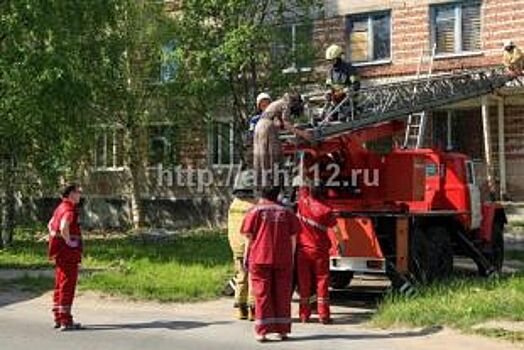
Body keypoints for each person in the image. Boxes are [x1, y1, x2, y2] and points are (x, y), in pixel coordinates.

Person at [241, 186, 301, 342]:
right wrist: (292, 257)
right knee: (282, 294)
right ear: (278, 195)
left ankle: (262, 332)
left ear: (262, 194)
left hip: (260, 258)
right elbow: (293, 238)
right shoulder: (287, 212)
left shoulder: (254, 212)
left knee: (262, 294)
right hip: (283, 259)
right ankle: (283, 331)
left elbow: (248, 237)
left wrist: (246, 256)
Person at [296, 184, 342, 324]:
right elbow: (336, 230)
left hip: (303, 250)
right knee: (322, 282)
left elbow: (303, 188)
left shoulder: (303, 202)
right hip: (320, 251)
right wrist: (341, 244)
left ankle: (304, 315)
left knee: (304, 282)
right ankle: (324, 315)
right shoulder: (327, 210)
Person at [253, 91, 311, 184]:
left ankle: (266, 184)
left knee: (264, 157)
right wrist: (303, 134)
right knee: (274, 157)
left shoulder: (278, 103)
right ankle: (274, 184)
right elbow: (286, 124)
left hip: (259, 127)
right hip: (267, 127)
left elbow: (280, 125)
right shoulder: (286, 104)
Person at [47, 183, 83, 331]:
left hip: (60, 253)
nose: (80, 194)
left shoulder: (59, 207)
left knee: (59, 285)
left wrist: (58, 239)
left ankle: (58, 317)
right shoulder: (69, 209)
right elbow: (63, 226)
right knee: (68, 285)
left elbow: (50, 225)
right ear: (71, 194)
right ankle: (66, 321)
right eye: (78, 192)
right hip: (69, 254)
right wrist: (69, 241)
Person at [227, 171, 257, 320]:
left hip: (236, 247)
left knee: (240, 276)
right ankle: (253, 310)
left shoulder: (233, 205)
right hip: (250, 248)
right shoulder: (253, 206)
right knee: (253, 277)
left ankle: (240, 309)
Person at [322, 44, 360, 122]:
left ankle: (356, 111)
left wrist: (348, 90)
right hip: (336, 102)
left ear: (339, 58)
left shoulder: (349, 69)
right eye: (330, 61)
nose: (331, 63)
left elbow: (356, 84)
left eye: (333, 60)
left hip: (348, 101)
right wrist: (328, 93)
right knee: (329, 118)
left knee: (342, 118)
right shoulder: (331, 71)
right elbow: (328, 85)